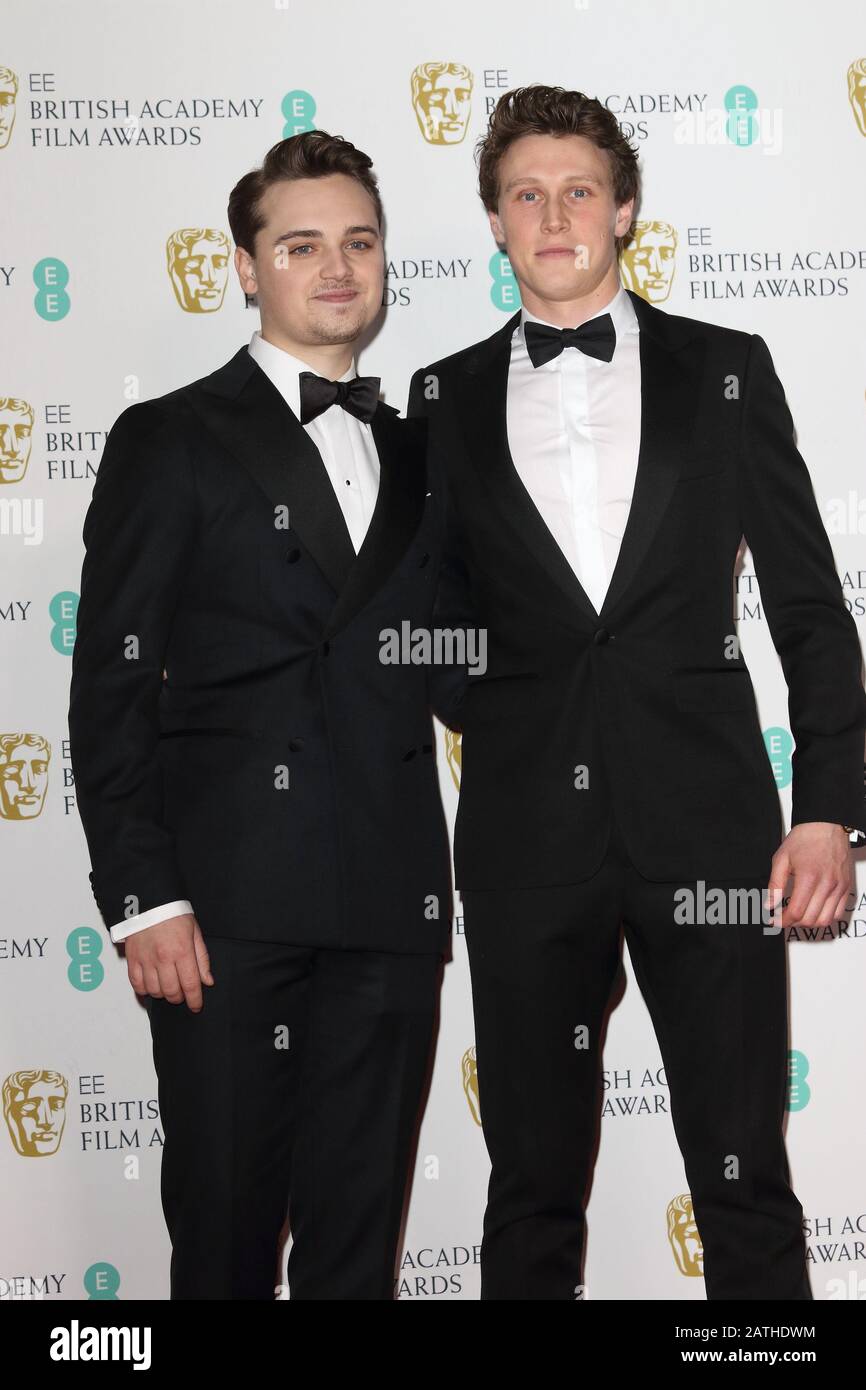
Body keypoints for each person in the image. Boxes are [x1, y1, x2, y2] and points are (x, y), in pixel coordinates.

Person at [409, 84, 866, 1300]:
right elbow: (426, 614)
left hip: (710, 831)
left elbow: (808, 607)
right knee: (529, 1188)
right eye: (525, 194)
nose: (553, 215)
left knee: (741, 1178)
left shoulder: (726, 370)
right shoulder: (440, 400)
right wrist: (507, 705)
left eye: (577, 190)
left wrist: (827, 807)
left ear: (622, 210)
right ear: (495, 222)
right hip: (522, 842)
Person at [68, 131, 457, 1300]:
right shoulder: (171, 436)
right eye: (300, 245)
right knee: (225, 1245)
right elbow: (112, 682)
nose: (335, 267)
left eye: (358, 242)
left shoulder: (423, 451)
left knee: (357, 1257)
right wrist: (144, 897)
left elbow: (456, 668)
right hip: (224, 915)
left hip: (389, 903)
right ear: (246, 267)